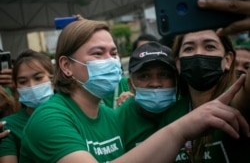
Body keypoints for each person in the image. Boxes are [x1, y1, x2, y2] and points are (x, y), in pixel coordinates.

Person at [19, 19, 250, 163]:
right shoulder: (50, 119)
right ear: (66, 66)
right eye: (98, 54)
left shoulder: (110, 117)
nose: (109, 62)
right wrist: (180, 130)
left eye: (113, 53)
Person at [160, 29, 250, 162]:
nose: (199, 54)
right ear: (179, 63)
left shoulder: (238, 101)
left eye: (209, 47)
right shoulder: (170, 116)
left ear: (227, 60)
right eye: (189, 49)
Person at [115, 41, 177, 151]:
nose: (155, 83)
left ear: (176, 80)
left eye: (163, 75)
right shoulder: (117, 122)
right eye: (144, 76)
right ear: (131, 85)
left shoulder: (189, 110)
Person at [0, 49, 54, 163]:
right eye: (23, 82)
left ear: (52, 79)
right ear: (16, 86)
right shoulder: (8, 126)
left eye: (38, 78)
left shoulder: (73, 113)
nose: (32, 86)